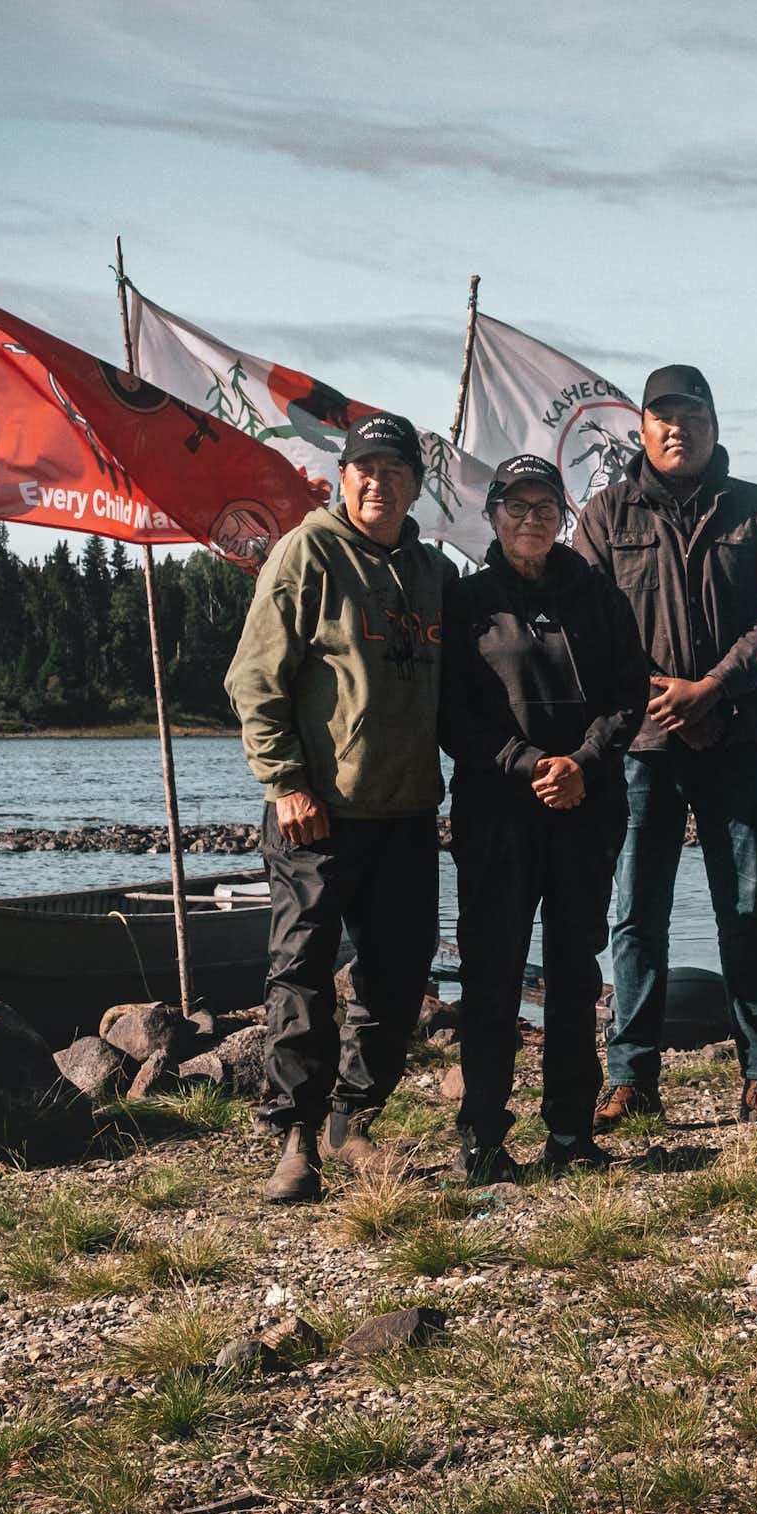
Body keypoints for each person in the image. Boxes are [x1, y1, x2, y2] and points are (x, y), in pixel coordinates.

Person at [226, 411, 458, 1203]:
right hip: (315, 814)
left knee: (397, 974)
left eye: (393, 470)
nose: (376, 481)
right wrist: (285, 781)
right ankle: (296, 1135)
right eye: (363, 468)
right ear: (340, 477)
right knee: (301, 973)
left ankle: (354, 1120)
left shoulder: (432, 573)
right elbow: (254, 680)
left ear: (415, 485)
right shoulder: (308, 551)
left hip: (406, 811)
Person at [571, 365, 757, 1127]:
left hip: (736, 738)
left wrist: (712, 688)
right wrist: (652, 691)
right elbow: (586, 623)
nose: (678, 429)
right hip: (639, 748)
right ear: (641, 427)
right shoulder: (606, 516)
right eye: (662, 416)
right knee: (637, 913)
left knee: (745, 910)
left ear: (713, 425)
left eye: (692, 416)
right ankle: (631, 1078)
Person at [439, 455, 650, 1182]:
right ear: (492, 513)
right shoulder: (465, 601)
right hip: (497, 813)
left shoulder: (599, 595)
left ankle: (569, 1132)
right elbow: (453, 716)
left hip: (586, 810)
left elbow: (629, 697)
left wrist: (581, 764)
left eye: (545, 506)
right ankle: (484, 1138)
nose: (531, 518)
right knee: (492, 976)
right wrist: (530, 764)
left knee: (573, 973)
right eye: (516, 505)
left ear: (563, 516)